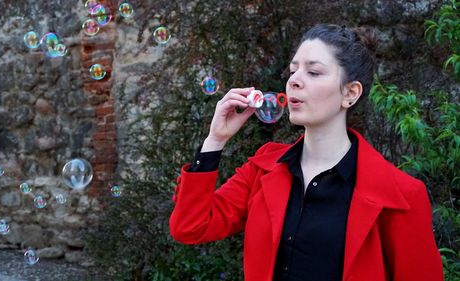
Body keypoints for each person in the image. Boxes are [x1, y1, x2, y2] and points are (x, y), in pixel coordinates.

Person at [169, 24, 444, 281]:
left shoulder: (401, 196)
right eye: (293, 71)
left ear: (350, 93)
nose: (294, 82)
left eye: (313, 72)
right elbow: (190, 227)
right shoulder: (264, 167)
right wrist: (215, 140)